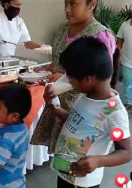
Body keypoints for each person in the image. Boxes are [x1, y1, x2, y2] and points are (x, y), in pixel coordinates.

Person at [31, 0, 117, 153]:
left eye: (73, 4)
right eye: (65, 4)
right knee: (61, 155)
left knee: (76, 155)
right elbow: (57, 62)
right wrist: (43, 70)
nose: (67, 9)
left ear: (92, 5)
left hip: (82, 110)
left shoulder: (99, 35)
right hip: (59, 104)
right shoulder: (63, 30)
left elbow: (102, 77)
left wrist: (65, 79)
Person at [50, 37, 131, 188]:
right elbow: (77, 121)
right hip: (65, 173)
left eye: (70, 77)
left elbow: (126, 152)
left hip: (83, 182)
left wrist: (98, 160)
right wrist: (54, 108)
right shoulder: (85, 95)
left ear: (87, 79)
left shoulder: (114, 113)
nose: (68, 81)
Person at [117, 17, 132, 110]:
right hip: (126, 61)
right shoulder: (124, 25)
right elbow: (119, 43)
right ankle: (129, 101)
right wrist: (117, 57)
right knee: (128, 83)